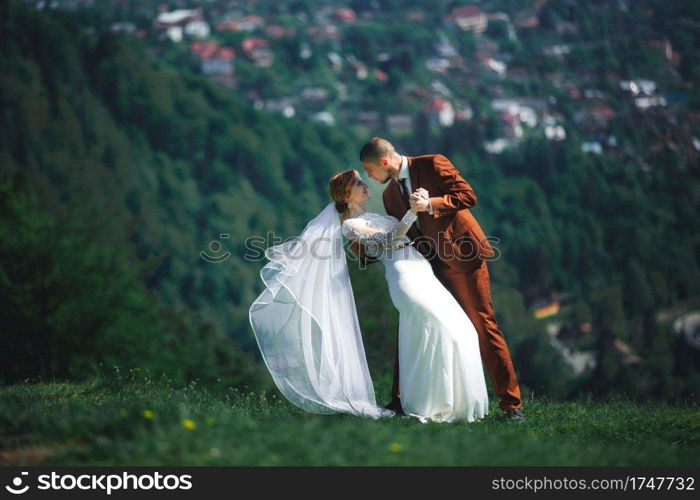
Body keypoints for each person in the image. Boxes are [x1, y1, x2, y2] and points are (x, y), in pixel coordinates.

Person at [359, 137, 526, 423]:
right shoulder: (389, 196)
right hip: (429, 267)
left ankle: (512, 406)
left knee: (483, 325)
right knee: (411, 320)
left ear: (384, 162)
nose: (368, 177)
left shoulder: (433, 164)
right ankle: (401, 400)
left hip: (464, 258)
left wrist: (430, 203)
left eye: (369, 170)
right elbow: (405, 235)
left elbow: (468, 195)